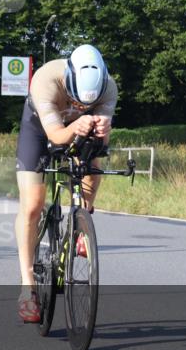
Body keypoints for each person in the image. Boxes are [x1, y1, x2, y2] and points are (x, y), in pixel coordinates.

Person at [14, 44, 118, 323]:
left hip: (76, 129)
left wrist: (102, 131)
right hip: (39, 129)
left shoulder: (109, 87)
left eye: (88, 103)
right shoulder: (46, 79)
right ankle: (27, 288)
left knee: (94, 160)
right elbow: (56, 136)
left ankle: (81, 223)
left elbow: (102, 143)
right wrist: (78, 123)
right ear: (68, 79)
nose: (82, 106)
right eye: (76, 99)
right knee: (33, 204)